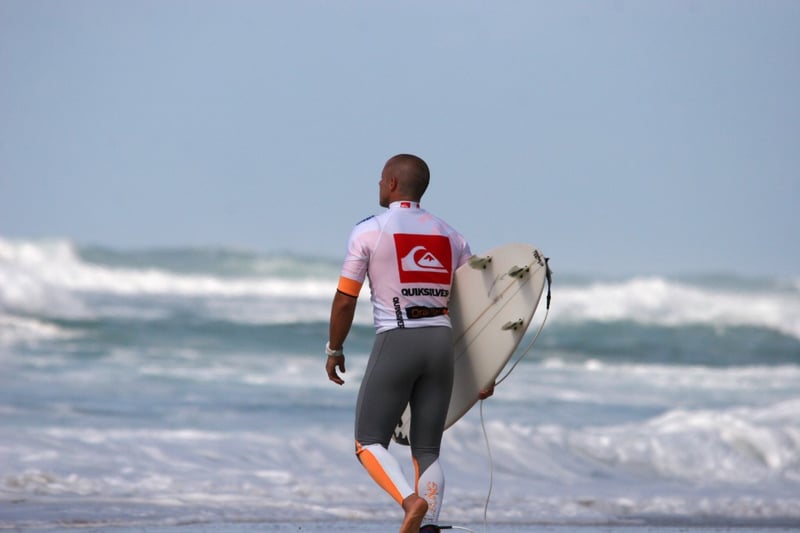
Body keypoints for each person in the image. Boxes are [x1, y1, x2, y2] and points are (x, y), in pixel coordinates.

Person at [325, 154, 474, 533]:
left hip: (398, 336)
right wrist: (483, 367)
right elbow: (472, 304)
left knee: (368, 441)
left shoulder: (370, 230)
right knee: (427, 449)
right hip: (441, 343)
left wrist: (334, 348)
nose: (378, 185)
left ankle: (412, 502)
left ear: (392, 184)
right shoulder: (451, 235)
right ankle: (428, 527)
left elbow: (346, 297)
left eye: (380, 179)